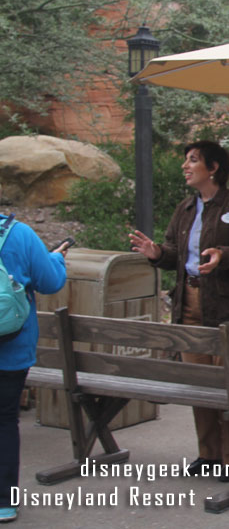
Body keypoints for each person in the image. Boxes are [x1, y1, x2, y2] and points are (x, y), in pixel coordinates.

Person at [129, 140, 229, 482]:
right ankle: (208, 454)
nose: (185, 166)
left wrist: (224, 255)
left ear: (214, 167)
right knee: (200, 385)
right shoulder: (185, 208)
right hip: (189, 304)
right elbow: (177, 253)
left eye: (193, 161)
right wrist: (156, 252)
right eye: (186, 161)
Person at [0, 212, 69, 523]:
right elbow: (50, 282)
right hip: (12, 349)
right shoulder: (20, 234)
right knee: (4, 420)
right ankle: (3, 502)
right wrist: (56, 259)